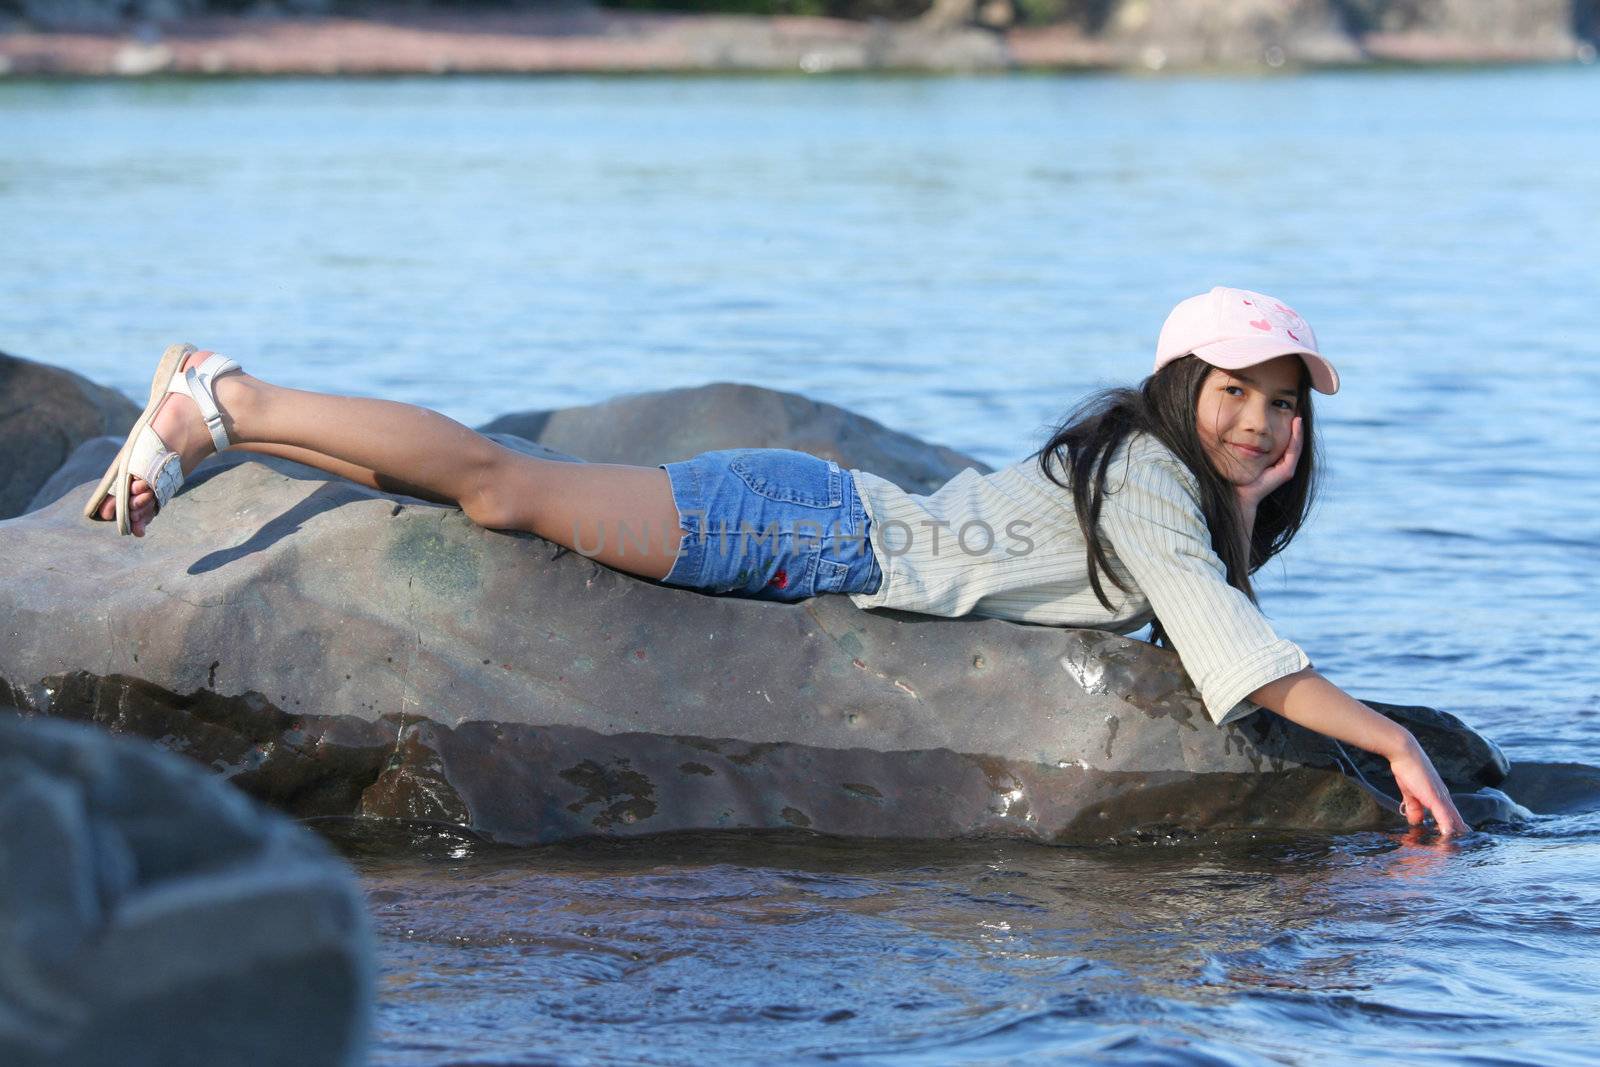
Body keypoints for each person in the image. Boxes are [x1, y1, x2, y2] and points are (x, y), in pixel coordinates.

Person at [85, 285, 1471, 836]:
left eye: (1283, 401)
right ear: (1181, 387)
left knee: (488, 502)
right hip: (797, 529)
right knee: (505, 490)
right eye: (1236, 390)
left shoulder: (1166, 484)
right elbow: (1236, 661)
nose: (1263, 420)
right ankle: (234, 401)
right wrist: (1392, 743)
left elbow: (1207, 628)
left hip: (818, 517)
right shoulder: (1159, 483)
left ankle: (238, 423)